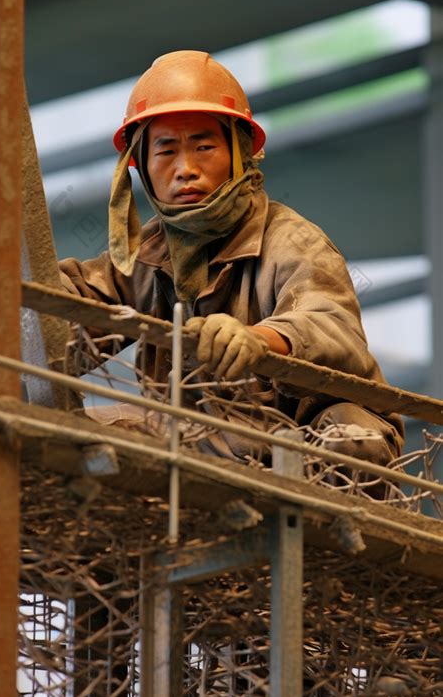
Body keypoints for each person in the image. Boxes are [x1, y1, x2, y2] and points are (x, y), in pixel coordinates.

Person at [59, 50, 404, 479]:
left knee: (355, 440)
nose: (185, 169)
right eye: (166, 151)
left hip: (299, 439)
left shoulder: (293, 241)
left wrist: (259, 339)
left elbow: (329, 324)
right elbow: (71, 302)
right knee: (65, 438)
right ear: (141, 167)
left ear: (239, 153)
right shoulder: (146, 256)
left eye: (204, 146)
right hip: (200, 441)